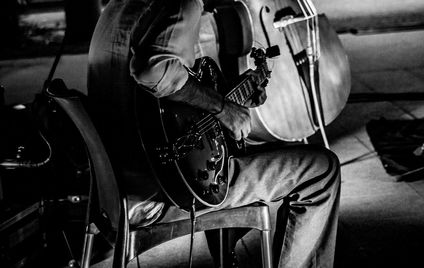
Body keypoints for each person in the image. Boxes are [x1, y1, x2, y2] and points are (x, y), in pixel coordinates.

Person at [87, 0, 341, 267]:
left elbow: (150, 105)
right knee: (322, 170)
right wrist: (223, 109)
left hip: (118, 192)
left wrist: (229, 99)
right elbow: (153, 73)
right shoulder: (183, 4)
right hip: (159, 194)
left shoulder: (117, 7)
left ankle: (225, 254)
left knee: (235, 152)